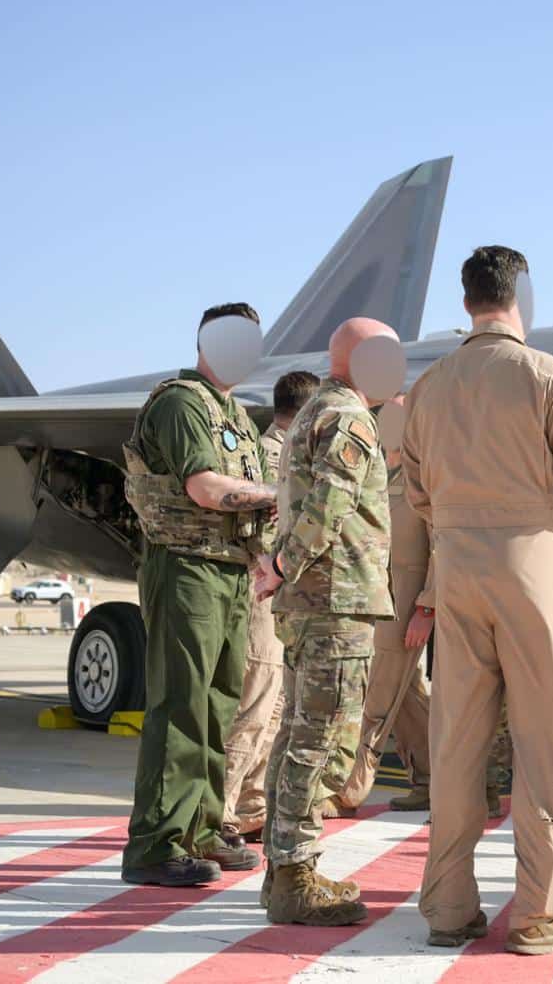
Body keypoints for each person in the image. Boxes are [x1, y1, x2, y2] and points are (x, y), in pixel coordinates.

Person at [404, 245, 553, 955]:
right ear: (519, 293)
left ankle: (448, 907)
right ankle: (543, 913)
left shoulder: (429, 385)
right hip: (530, 560)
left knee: (456, 741)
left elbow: (417, 490)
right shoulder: (546, 375)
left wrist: (460, 531)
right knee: (546, 741)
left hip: (456, 564)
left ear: (466, 301)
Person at [120, 303, 275, 887]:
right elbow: (206, 488)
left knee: (218, 705)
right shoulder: (182, 403)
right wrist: (277, 493)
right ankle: (155, 844)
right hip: (186, 567)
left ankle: (203, 828)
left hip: (229, 570)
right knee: (181, 703)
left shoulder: (233, 412)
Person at [254, 317, 399, 926]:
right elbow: (328, 506)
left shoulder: (314, 410)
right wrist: (284, 564)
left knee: (297, 734)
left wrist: (282, 569)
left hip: (314, 602)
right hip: (336, 601)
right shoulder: (349, 417)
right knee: (322, 742)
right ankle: (294, 877)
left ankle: (283, 869)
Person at [221, 370, 320, 843]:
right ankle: (219, 812)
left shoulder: (287, 456)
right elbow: (261, 532)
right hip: (262, 592)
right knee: (254, 706)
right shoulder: (267, 457)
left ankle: (252, 807)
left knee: (275, 706)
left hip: (281, 597)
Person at [326, 393, 432, 815]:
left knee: (375, 696)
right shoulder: (375, 473)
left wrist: (427, 607)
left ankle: (349, 788)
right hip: (371, 596)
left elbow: (441, 545)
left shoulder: (424, 480)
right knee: (404, 695)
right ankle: (436, 779)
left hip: (405, 600)